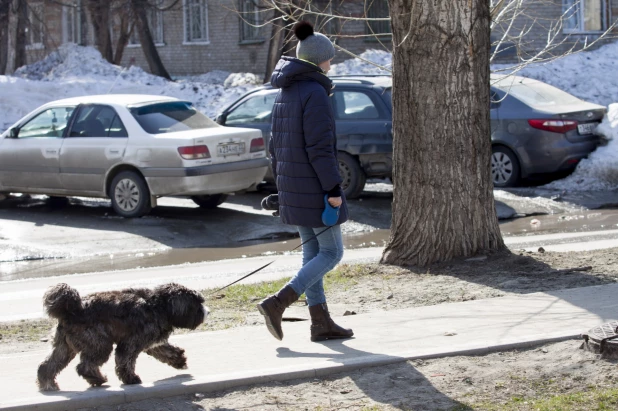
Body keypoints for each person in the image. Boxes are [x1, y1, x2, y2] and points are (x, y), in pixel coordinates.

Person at [257, 21, 354, 343]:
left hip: (294, 186)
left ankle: (321, 323)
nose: (332, 63)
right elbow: (320, 147)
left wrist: (283, 187)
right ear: (318, 60)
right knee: (331, 253)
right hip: (314, 187)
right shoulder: (315, 92)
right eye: (329, 58)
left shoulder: (287, 91)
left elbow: (276, 146)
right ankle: (278, 301)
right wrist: (332, 188)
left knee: (313, 252)